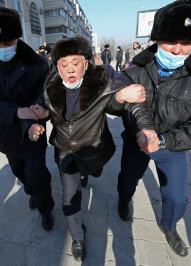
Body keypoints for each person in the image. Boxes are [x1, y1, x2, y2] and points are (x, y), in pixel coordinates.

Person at [24, 37, 156, 262]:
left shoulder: (102, 77)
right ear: (57, 67)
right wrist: (37, 119)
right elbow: (43, 109)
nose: (69, 69)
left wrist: (145, 128)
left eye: (74, 62)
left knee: (94, 171)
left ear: (85, 63)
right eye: (64, 65)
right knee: (69, 199)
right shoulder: (50, 84)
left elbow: (134, 99)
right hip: (65, 152)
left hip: (95, 148)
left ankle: (90, 172)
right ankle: (77, 237)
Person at [117, 0, 191, 258]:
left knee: (177, 198)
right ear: (156, 39)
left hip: (173, 146)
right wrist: (119, 97)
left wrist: (165, 141)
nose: (178, 50)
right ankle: (123, 201)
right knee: (127, 181)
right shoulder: (134, 69)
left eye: (187, 42)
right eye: (171, 41)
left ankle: (168, 226)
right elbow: (112, 105)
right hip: (135, 143)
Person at [0, 7, 54, 230]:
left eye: (8, 43)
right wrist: (17, 112)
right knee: (19, 172)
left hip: (35, 135)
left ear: (17, 38)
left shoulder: (40, 65)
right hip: (6, 135)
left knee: (38, 176)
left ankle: (46, 210)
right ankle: (31, 190)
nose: (3, 49)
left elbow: (46, 94)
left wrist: (40, 113)